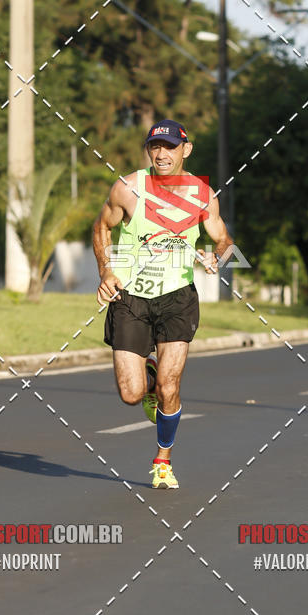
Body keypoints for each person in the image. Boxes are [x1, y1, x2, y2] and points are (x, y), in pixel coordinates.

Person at [93, 119, 233, 489]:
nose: (162, 154)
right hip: (131, 298)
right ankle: (149, 376)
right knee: (131, 394)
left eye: (170, 147)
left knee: (170, 388)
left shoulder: (203, 195)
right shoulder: (127, 188)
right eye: (155, 147)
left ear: (185, 150)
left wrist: (216, 256)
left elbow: (223, 239)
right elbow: (102, 227)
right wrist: (107, 272)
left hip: (177, 298)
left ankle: (162, 460)